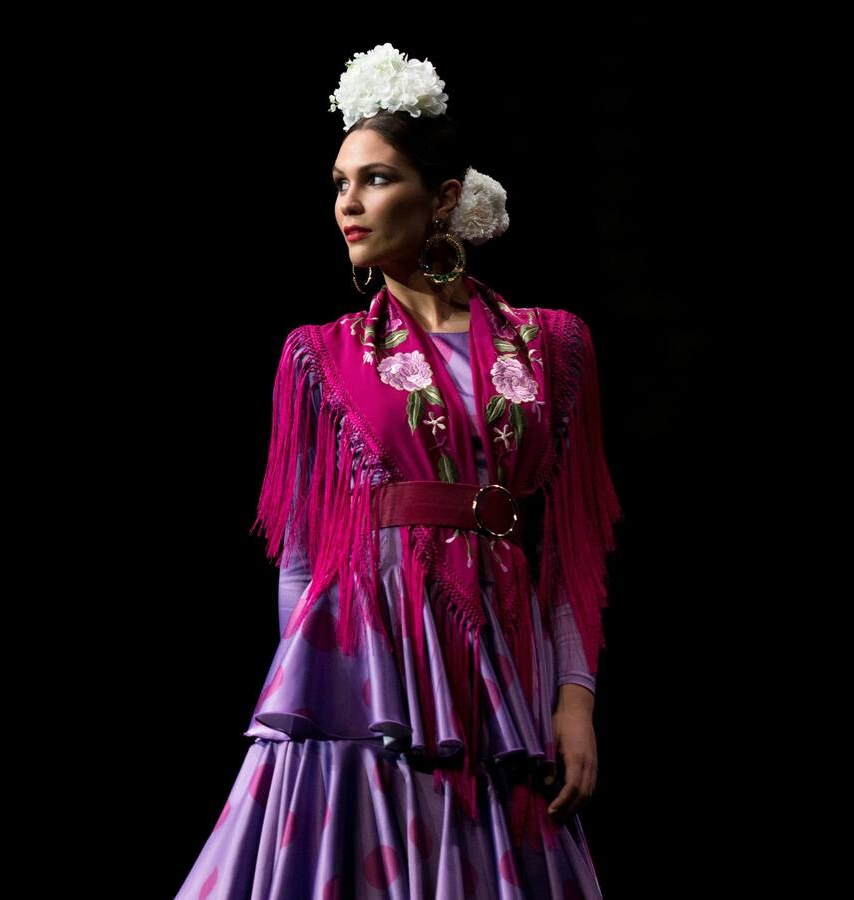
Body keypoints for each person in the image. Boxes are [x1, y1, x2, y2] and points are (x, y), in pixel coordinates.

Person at [174, 43, 623, 899]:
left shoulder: (551, 343)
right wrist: (302, 705)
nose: (349, 202)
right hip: (365, 671)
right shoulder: (317, 355)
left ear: (443, 196)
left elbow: (567, 547)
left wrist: (576, 699)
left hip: (503, 659)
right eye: (340, 182)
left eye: (376, 179)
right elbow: (302, 559)